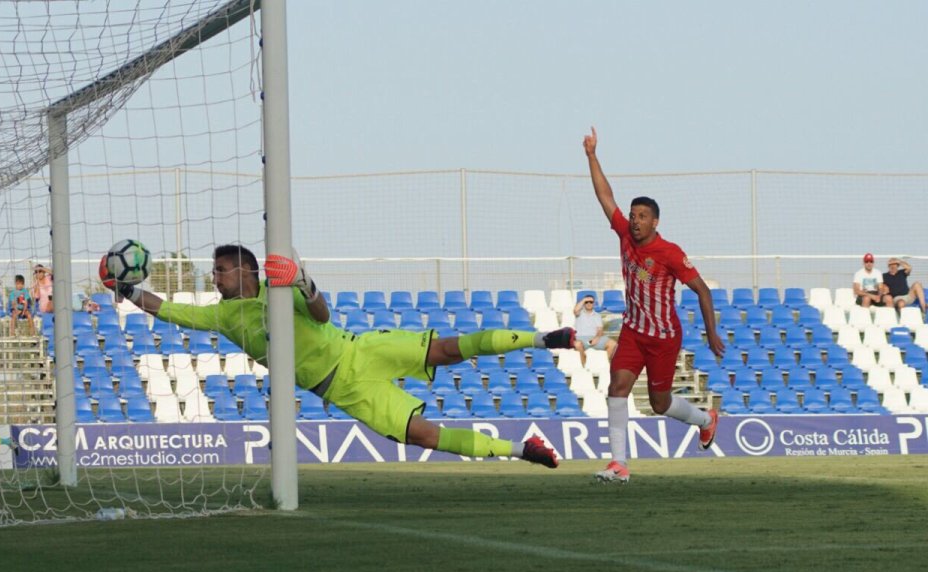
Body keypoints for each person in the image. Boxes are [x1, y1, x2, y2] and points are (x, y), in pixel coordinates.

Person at [105, 244, 575, 467]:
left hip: (359, 349)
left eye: (222, 271)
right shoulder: (223, 317)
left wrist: (305, 283)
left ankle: (545, 339)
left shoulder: (277, 288)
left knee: (449, 348)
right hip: (344, 388)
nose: (215, 278)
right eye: (215, 271)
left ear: (246, 270)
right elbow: (167, 309)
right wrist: (129, 291)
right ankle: (522, 450)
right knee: (424, 437)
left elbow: (321, 312)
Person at [584, 127, 724, 484]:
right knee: (616, 389)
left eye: (642, 216)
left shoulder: (669, 253)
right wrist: (592, 156)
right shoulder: (624, 235)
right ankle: (619, 464)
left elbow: (703, 291)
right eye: (633, 215)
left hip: (663, 337)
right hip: (633, 331)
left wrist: (711, 333)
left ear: (655, 221)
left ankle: (706, 421)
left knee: (660, 404)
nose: (634, 220)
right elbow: (605, 196)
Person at [572, 295, 617, 366]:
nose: (589, 303)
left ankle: (605, 365)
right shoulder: (579, 313)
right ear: (584, 303)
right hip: (581, 338)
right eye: (586, 302)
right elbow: (575, 310)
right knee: (577, 344)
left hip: (595, 338)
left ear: (594, 303)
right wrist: (584, 299)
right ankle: (584, 366)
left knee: (613, 344)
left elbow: (600, 330)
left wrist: (596, 338)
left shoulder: (597, 315)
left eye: (591, 302)